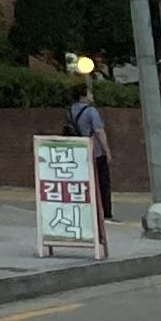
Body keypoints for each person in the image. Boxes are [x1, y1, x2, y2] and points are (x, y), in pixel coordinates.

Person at [68, 75, 115, 259]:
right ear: (84, 95)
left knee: (84, 183)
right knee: (102, 183)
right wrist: (107, 151)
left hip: (78, 153)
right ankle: (105, 212)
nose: (91, 96)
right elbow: (100, 132)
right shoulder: (91, 111)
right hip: (94, 153)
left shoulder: (70, 110)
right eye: (89, 93)